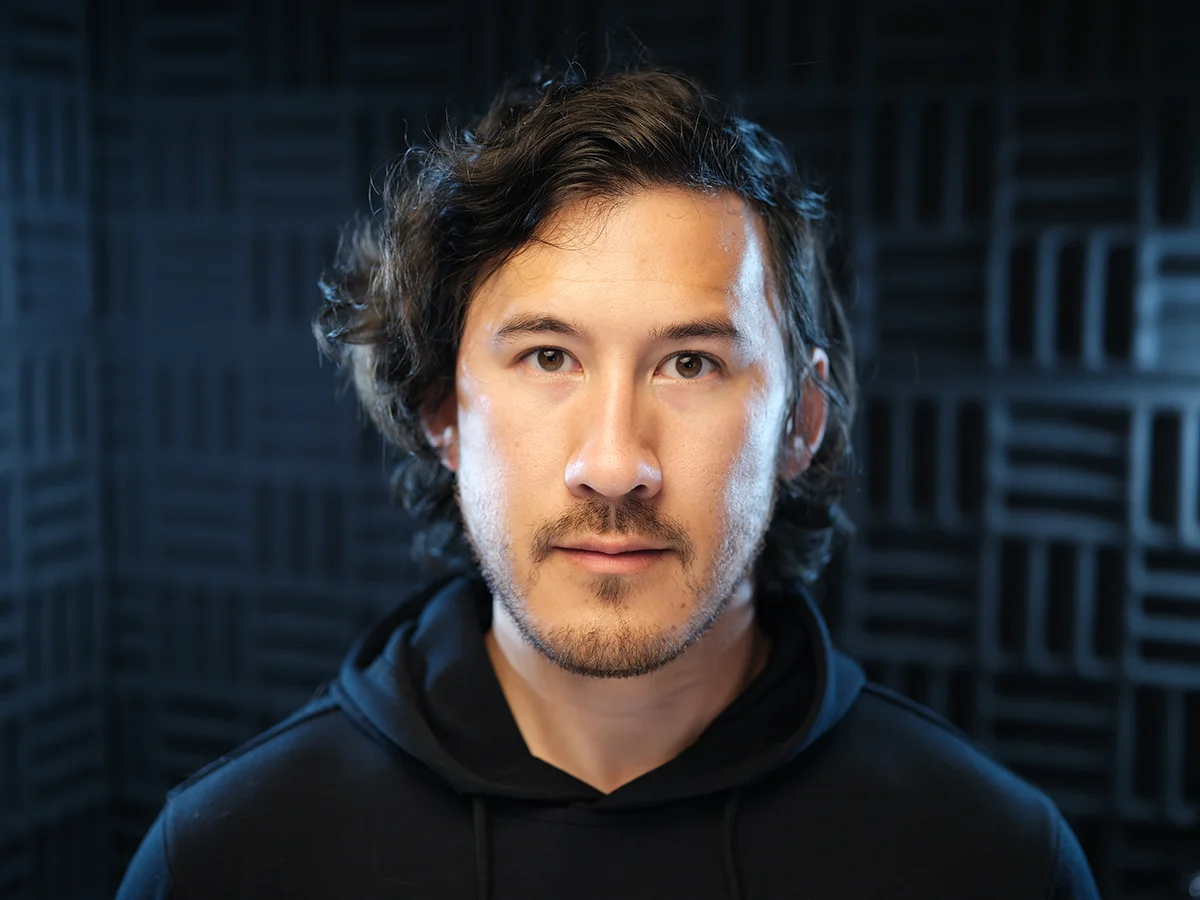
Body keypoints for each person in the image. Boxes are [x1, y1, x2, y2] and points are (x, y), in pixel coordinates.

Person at [116, 63, 1101, 899]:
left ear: (801, 422)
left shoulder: (995, 861)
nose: (616, 464)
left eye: (690, 364)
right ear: (441, 409)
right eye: (549, 357)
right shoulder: (224, 858)